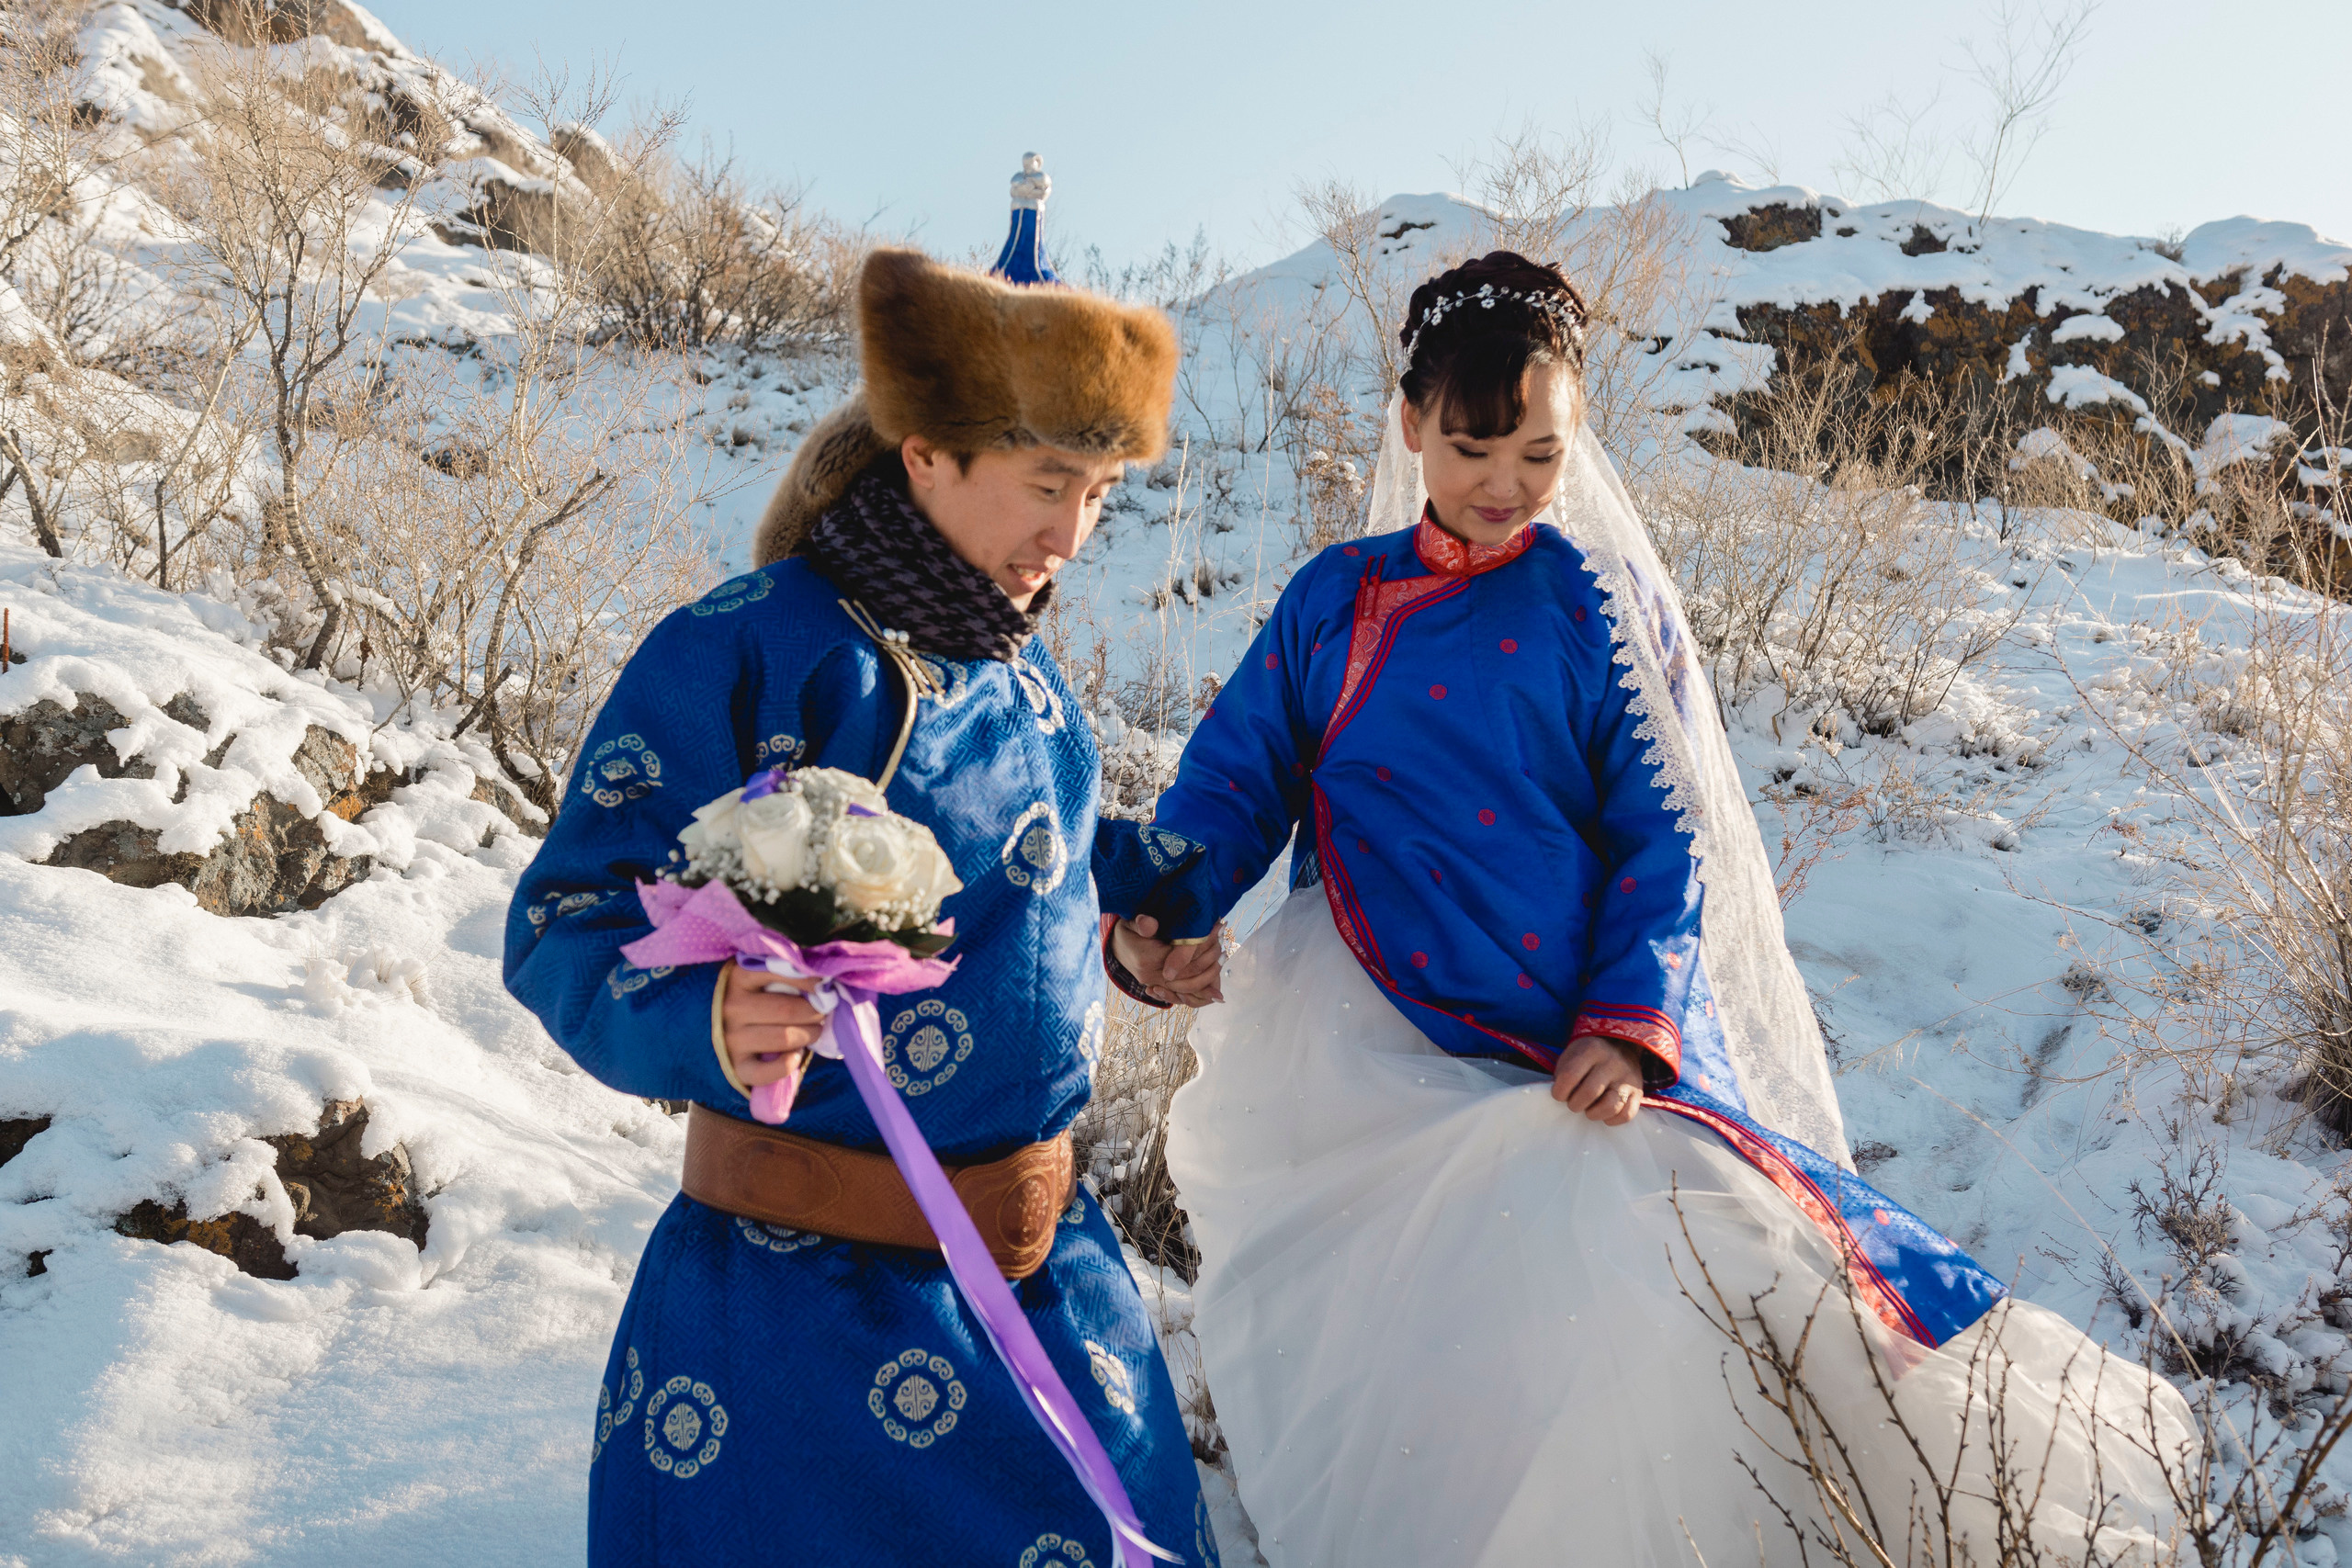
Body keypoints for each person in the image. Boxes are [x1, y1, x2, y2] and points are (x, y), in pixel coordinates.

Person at [1097, 252, 2195, 1566]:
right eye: (1472, 448)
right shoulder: (1335, 598)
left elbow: (1665, 840)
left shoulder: (1597, 609)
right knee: (1424, 1311)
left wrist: (1628, 1023)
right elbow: (1237, 776)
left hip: (1575, 1023)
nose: (1504, 487)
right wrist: (1162, 914)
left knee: (1663, 1277)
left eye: (1542, 457)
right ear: (1410, 426)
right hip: (1368, 1014)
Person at [504, 247, 1220, 1566]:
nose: (1073, 537)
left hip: (1047, 1296)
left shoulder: (1027, 674)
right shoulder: (746, 644)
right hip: (792, 1329)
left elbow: (1031, 862)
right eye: (1049, 484)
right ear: (927, 452)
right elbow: (563, 916)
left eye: (1104, 494)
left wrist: (1128, 927)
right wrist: (705, 1016)